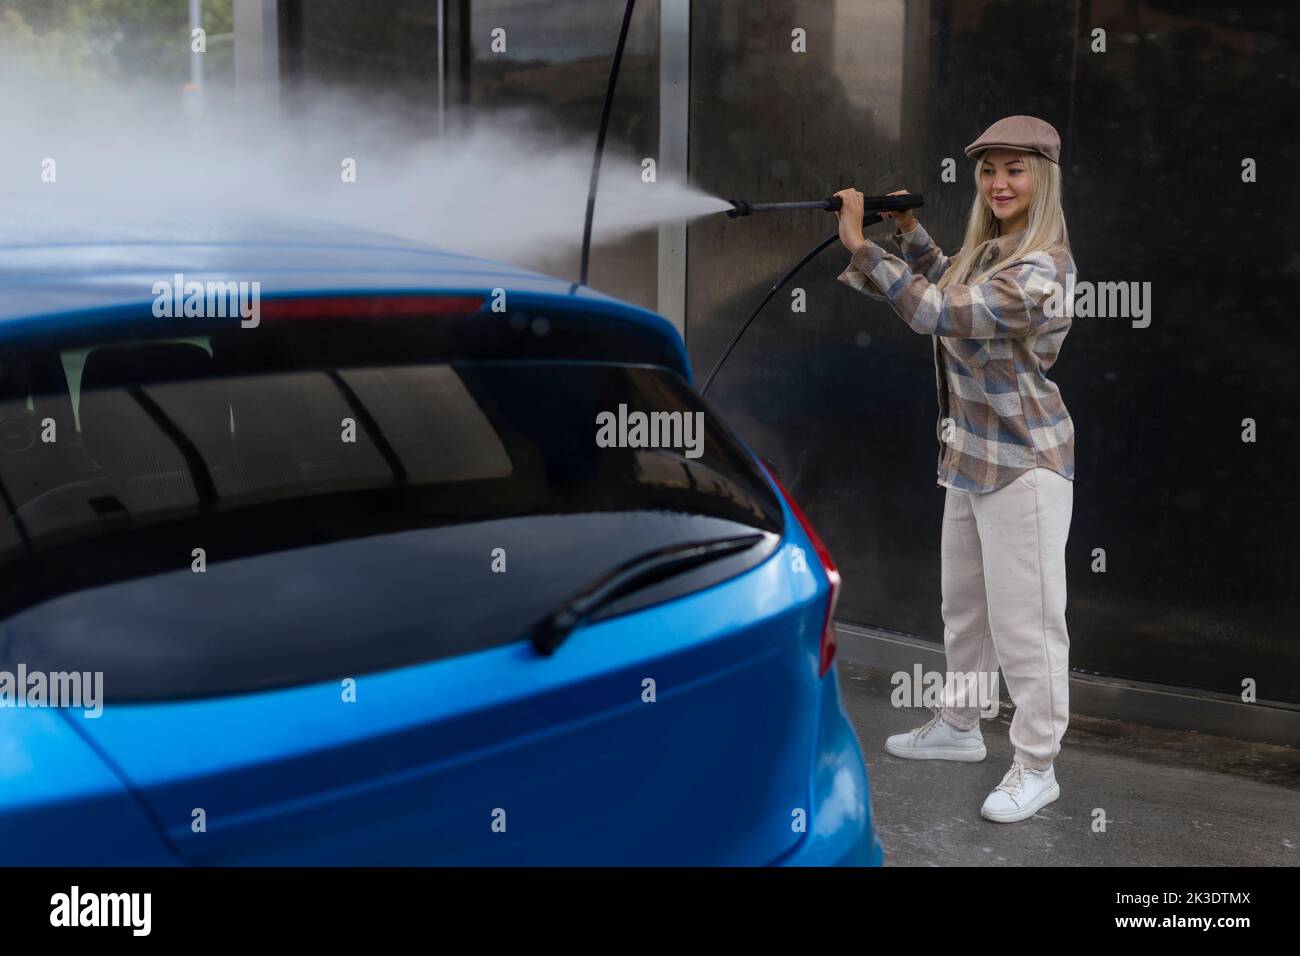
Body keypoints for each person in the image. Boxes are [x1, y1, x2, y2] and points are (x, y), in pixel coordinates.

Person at [833, 115, 1077, 823]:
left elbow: (940, 311)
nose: (1000, 182)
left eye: (1016, 169)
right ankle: (961, 727)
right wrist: (906, 231)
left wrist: (859, 244)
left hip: (1024, 465)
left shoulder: (1044, 267)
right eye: (990, 170)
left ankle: (1038, 766)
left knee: (1028, 627)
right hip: (970, 457)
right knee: (965, 610)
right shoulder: (994, 250)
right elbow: (946, 281)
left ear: (1044, 178)